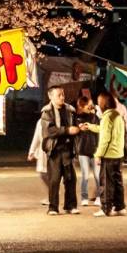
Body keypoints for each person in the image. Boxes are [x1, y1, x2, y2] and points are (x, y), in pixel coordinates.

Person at [82, 92, 126, 217]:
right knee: (117, 182)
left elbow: (105, 138)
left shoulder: (107, 117)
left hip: (109, 155)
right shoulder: (116, 114)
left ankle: (106, 208)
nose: (97, 104)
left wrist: (98, 154)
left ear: (103, 103)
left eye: (98, 101)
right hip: (118, 154)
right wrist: (90, 126)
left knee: (106, 183)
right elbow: (104, 129)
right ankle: (120, 207)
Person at [40, 85, 81, 215]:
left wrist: (79, 127)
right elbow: (49, 131)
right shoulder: (46, 111)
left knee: (70, 178)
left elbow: (75, 125)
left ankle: (70, 206)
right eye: (59, 95)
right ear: (50, 96)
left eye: (63, 94)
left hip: (68, 148)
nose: (62, 97)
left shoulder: (70, 110)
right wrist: (67, 130)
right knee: (54, 179)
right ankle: (53, 207)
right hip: (54, 150)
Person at [75, 96, 101, 207]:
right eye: (88, 105)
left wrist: (93, 114)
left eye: (91, 105)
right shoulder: (76, 118)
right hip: (83, 151)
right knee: (85, 175)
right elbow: (76, 128)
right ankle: (84, 197)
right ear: (81, 106)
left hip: (95, 151)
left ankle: (99, 197)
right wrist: (79, 127)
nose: (90, 107)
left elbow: (99, 129)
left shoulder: (95, 117)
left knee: (97, 175)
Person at [27, 117, 49, 205]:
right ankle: (51, 194)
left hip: (55, 150)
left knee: (53, 175)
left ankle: (52, 196)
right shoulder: (40, 121)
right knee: (43, 174)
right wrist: (31, 151)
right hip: (43, 150)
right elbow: (36, 137)